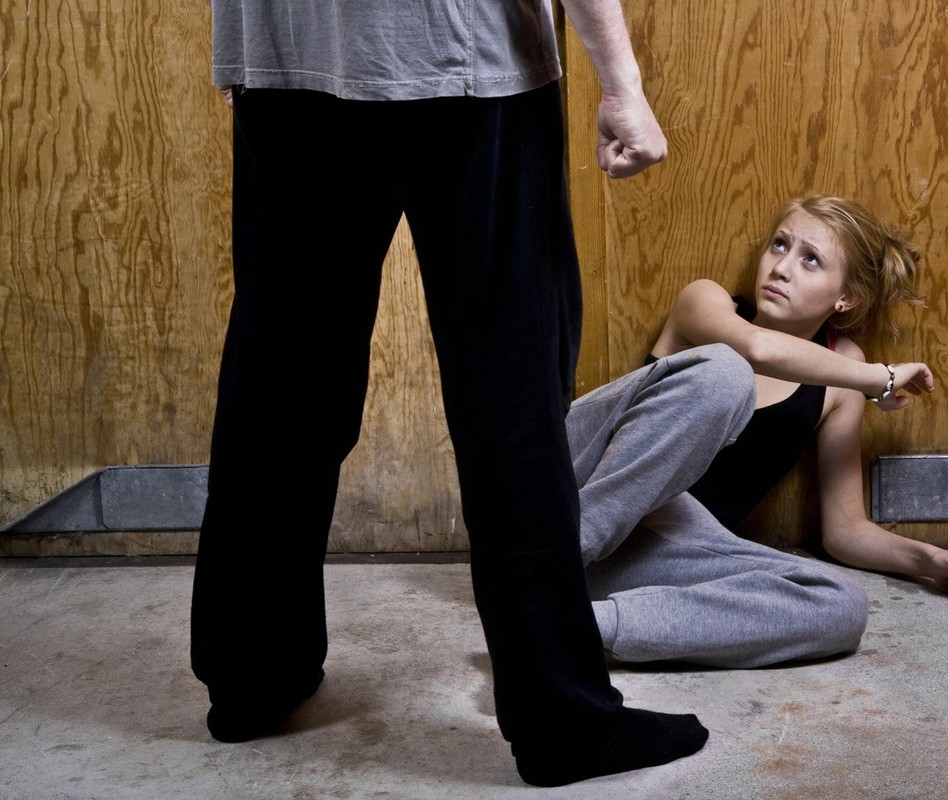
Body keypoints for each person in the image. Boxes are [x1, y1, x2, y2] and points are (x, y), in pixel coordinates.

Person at [190, 0, 711, 788]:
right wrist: (621, 84)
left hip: (287, 57)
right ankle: (561, 720)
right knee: (510, 392)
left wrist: (242, 44)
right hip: (466, 60)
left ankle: (251, 679)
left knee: (285, 380)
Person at [564, 194, 948, 668]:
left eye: (811, 260)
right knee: (726, 374)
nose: (782, 268)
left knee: (841, 604)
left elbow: (845, 530)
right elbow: (759, 350)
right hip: (571, 493)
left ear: (845, 297)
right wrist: (878, 379)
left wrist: (928, 560)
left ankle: (563, 625)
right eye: (779, 245)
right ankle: (541, 565)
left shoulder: (843, 374)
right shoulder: (706, 303)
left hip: (651, 550)